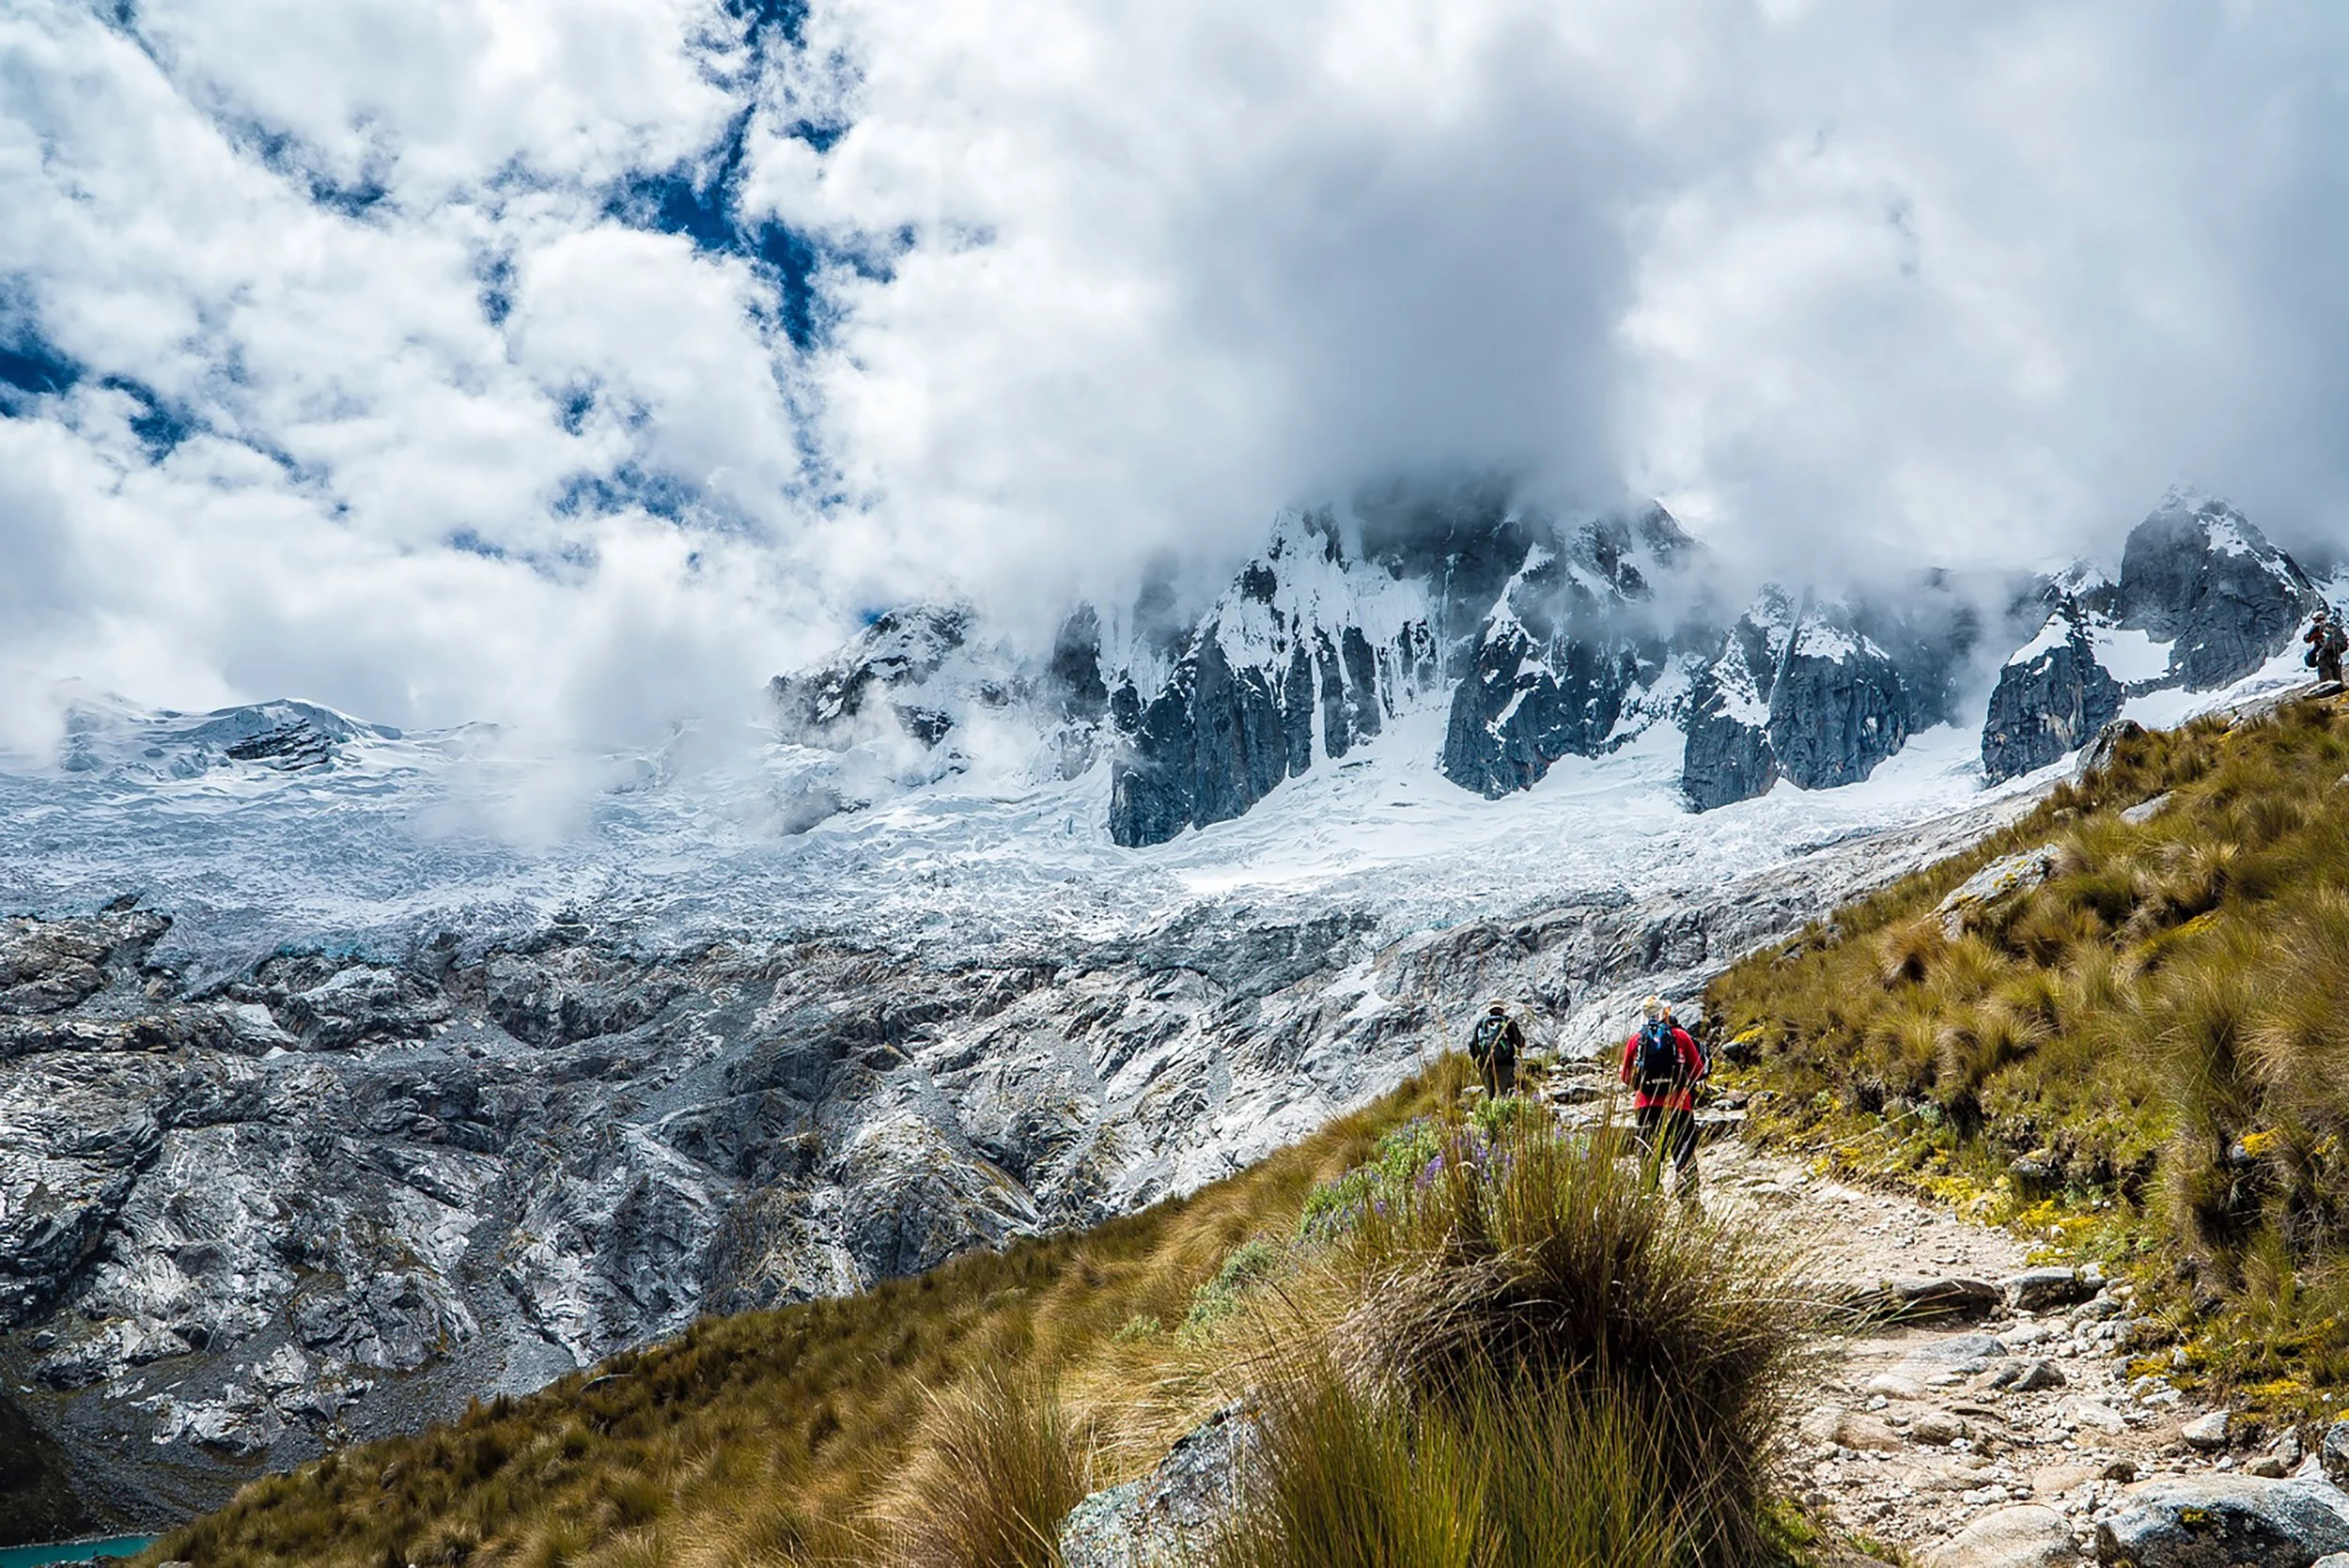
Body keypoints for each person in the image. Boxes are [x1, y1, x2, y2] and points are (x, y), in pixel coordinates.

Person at [1619, 996, 1708, 1198]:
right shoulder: (1681, 1037)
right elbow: (1699, 1071)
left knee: (1649, 1158)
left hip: (1646, 1107)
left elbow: (1625, 1077)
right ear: (1665, 1013)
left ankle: (1650, 1202)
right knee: (1684, 1156)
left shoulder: (1635, 1041)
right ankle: (1689, 1204)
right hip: (1679, 1106)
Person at [1467, 1000, 1523, 1098]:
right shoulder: (1508, 1022)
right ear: (1502, 1009)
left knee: (1490, 1095)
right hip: (1505, 1064)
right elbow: (1520, 1042)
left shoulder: (1482, 1023)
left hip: (1486, 1065)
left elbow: (1474, 1046)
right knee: (1503, 1095)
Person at [2308, 609, 2348, 686]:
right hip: (2336, 654)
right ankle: (2340, 689)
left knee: (2325, 676)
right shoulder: (2334, 627)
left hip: (2324, 655)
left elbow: (2307, 638)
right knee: (2337, 676)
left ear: (2316, 619)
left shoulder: (2317, 628)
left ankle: (2327, 690)